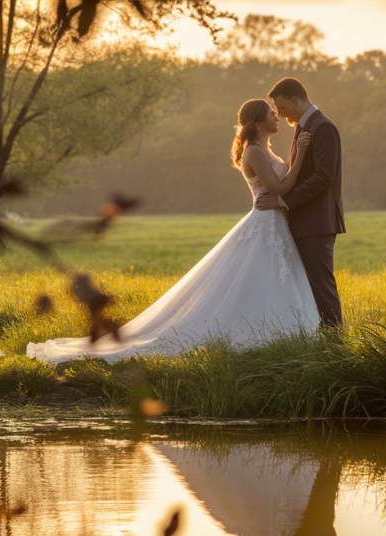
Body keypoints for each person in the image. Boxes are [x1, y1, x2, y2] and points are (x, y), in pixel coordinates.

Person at [26, 99, 319, 364]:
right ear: (257, 122)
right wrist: (303, 153)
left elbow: (282, 186)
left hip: (276, 225)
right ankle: (255, 335)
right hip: (264, 224)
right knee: (255, 280)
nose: (277, 117)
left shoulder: (266, 150)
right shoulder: (254, 152)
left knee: (270, 280)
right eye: (271, 113)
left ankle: (283, 333)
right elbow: (280, 188)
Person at [255, 78, 345, 328]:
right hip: (304, 221)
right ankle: (318, 337)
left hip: (317, 221)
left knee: (321, 285)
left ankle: (334, 342)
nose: (280, 116)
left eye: (282, 108)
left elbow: (324, 177)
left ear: (295, 100)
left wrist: (284, 200)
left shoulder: (323, 127)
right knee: (309, 285)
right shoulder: (303, 127)